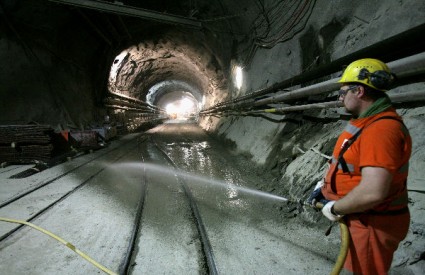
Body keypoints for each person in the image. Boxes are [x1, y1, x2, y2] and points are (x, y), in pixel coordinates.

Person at [308, 58, 412, 275]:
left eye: (344, 91)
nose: (340, 97)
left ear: (360, 91)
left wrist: (335, 208)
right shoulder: (366, 122)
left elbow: (373, 192)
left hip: (373, 224)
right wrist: (325, 186)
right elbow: (347, 164)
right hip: (361, 219)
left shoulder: (381, 130)